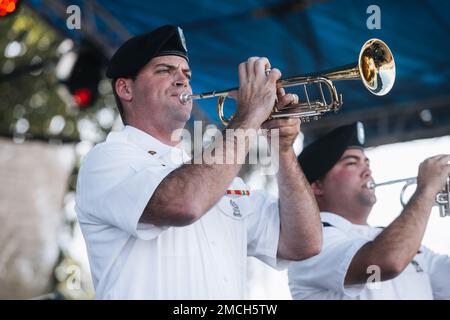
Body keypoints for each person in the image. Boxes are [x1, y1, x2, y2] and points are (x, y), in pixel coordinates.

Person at [75, 25, 322, 299]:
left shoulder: (217, 177)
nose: (182, 80)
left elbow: (304, 243)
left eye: (186, 74)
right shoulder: (107, 160)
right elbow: (185, 204)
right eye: (165, 70)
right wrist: (250, 115)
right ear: (125, 88)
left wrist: (283, 149)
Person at [287, 121, 450, 299]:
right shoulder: (309, 245)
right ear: (317, 186)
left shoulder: (392, 238)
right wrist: (426, 190)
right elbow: (389, 261)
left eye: (366, 162)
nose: (367, 171)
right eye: (351, 163)